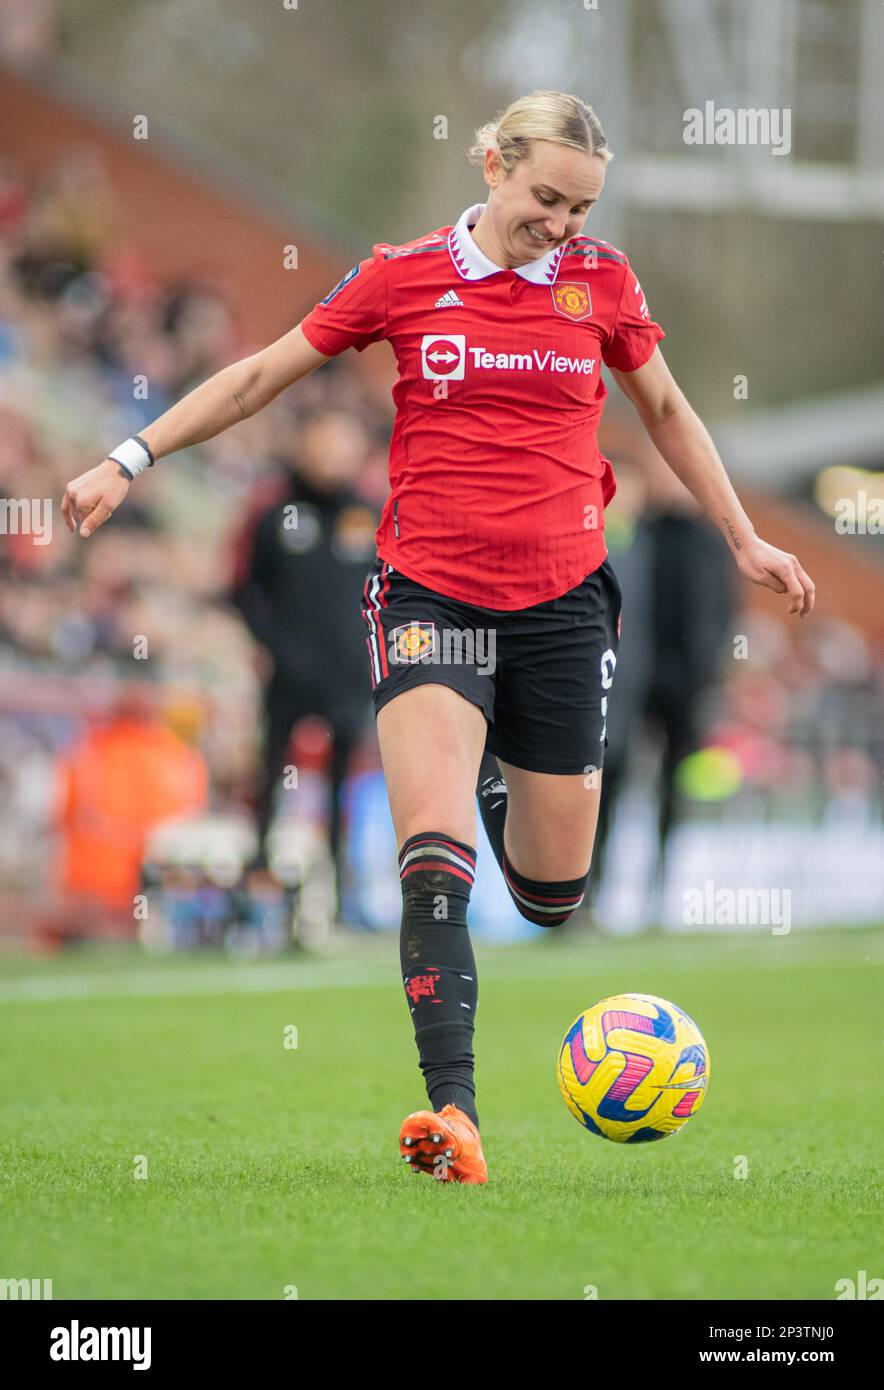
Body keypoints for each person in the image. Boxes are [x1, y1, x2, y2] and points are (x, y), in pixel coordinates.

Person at [61, 90, 815, 1185]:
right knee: (431, 858)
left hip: (561, 605)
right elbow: (262, 374)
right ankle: (452, 1114)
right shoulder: (400, 274)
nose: (561, 224)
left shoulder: (599, 282)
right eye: (545, 198)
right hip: (431, 599)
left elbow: (664, 411)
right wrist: (128, 457)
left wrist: (741, 537)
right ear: (492, 167)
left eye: (581, 206)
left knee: (553, 897)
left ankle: (509, 775)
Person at [229, 405, 378, 911]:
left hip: (348, 677)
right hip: (287, 678)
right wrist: (276, 647)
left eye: (343, 444)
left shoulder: (370, 515)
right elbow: (245, 591)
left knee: (343, 782)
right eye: (324, 442)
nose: (333, 455)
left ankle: (338, 891)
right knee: (270, 774)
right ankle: (258, 882)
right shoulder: (275, 514)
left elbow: (391, 593)